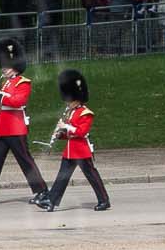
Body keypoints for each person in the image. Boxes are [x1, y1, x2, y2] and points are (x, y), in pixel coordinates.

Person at [0, 38, 48, 204]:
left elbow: (18, 102)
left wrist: (0, 95)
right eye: (3, 65)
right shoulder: (4, 83)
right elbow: (0, 105)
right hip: (1, 128)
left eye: (6, 66)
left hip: (15, 128)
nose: (4, 69)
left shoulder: (23, 82)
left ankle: (41, 190)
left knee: (25, 161)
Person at [34, 69, 110, 212]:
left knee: (92, 176)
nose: (67, 102)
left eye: (70, 100)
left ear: (77, 99)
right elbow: (70, 133)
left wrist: (66, 126)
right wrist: (60, 134)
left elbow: (81, 132)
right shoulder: (71, 112)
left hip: (81, 150)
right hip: (70, 151)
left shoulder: (86, 113)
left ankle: (104, 200)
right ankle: (51, 201)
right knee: (62, 177)